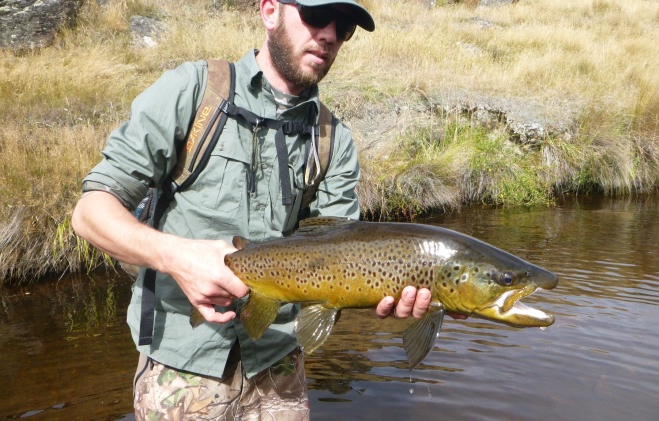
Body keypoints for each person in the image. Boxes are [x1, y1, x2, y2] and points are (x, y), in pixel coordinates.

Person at [71, 0, 433, 419]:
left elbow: (340, 254)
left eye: (344, 26)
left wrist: (389, 287)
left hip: (280, 371)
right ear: (269, 11)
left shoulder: (334, 140)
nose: (330, 34)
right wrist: (176, 257)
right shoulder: (194, 91)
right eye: (316, 16)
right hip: (182, 368)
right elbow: (90, 213)